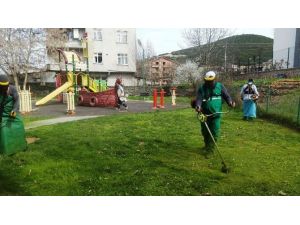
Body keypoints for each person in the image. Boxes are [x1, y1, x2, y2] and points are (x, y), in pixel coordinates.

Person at [194, 71, 235, 156]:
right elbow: (199, 99)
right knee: (205, 132)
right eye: (207, 81)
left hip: (216, 115)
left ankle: (210, 150)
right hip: (204, 115)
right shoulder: (202, 88)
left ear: (214, 80)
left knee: (214, 132)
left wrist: (230, 102)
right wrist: (198, 106)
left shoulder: (220, 86)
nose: (208, 83)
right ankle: (207, 145)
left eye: (210, 81)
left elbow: (227, 96)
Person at [0, 75, 27, 155]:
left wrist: (14, 111)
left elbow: (16, 101)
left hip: (12, 113)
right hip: (2, 115)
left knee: (20, 125)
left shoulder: (12, 89)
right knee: (4, 130)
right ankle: (7, 150)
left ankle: (21, 146)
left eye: (6, 87)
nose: (5, 89)